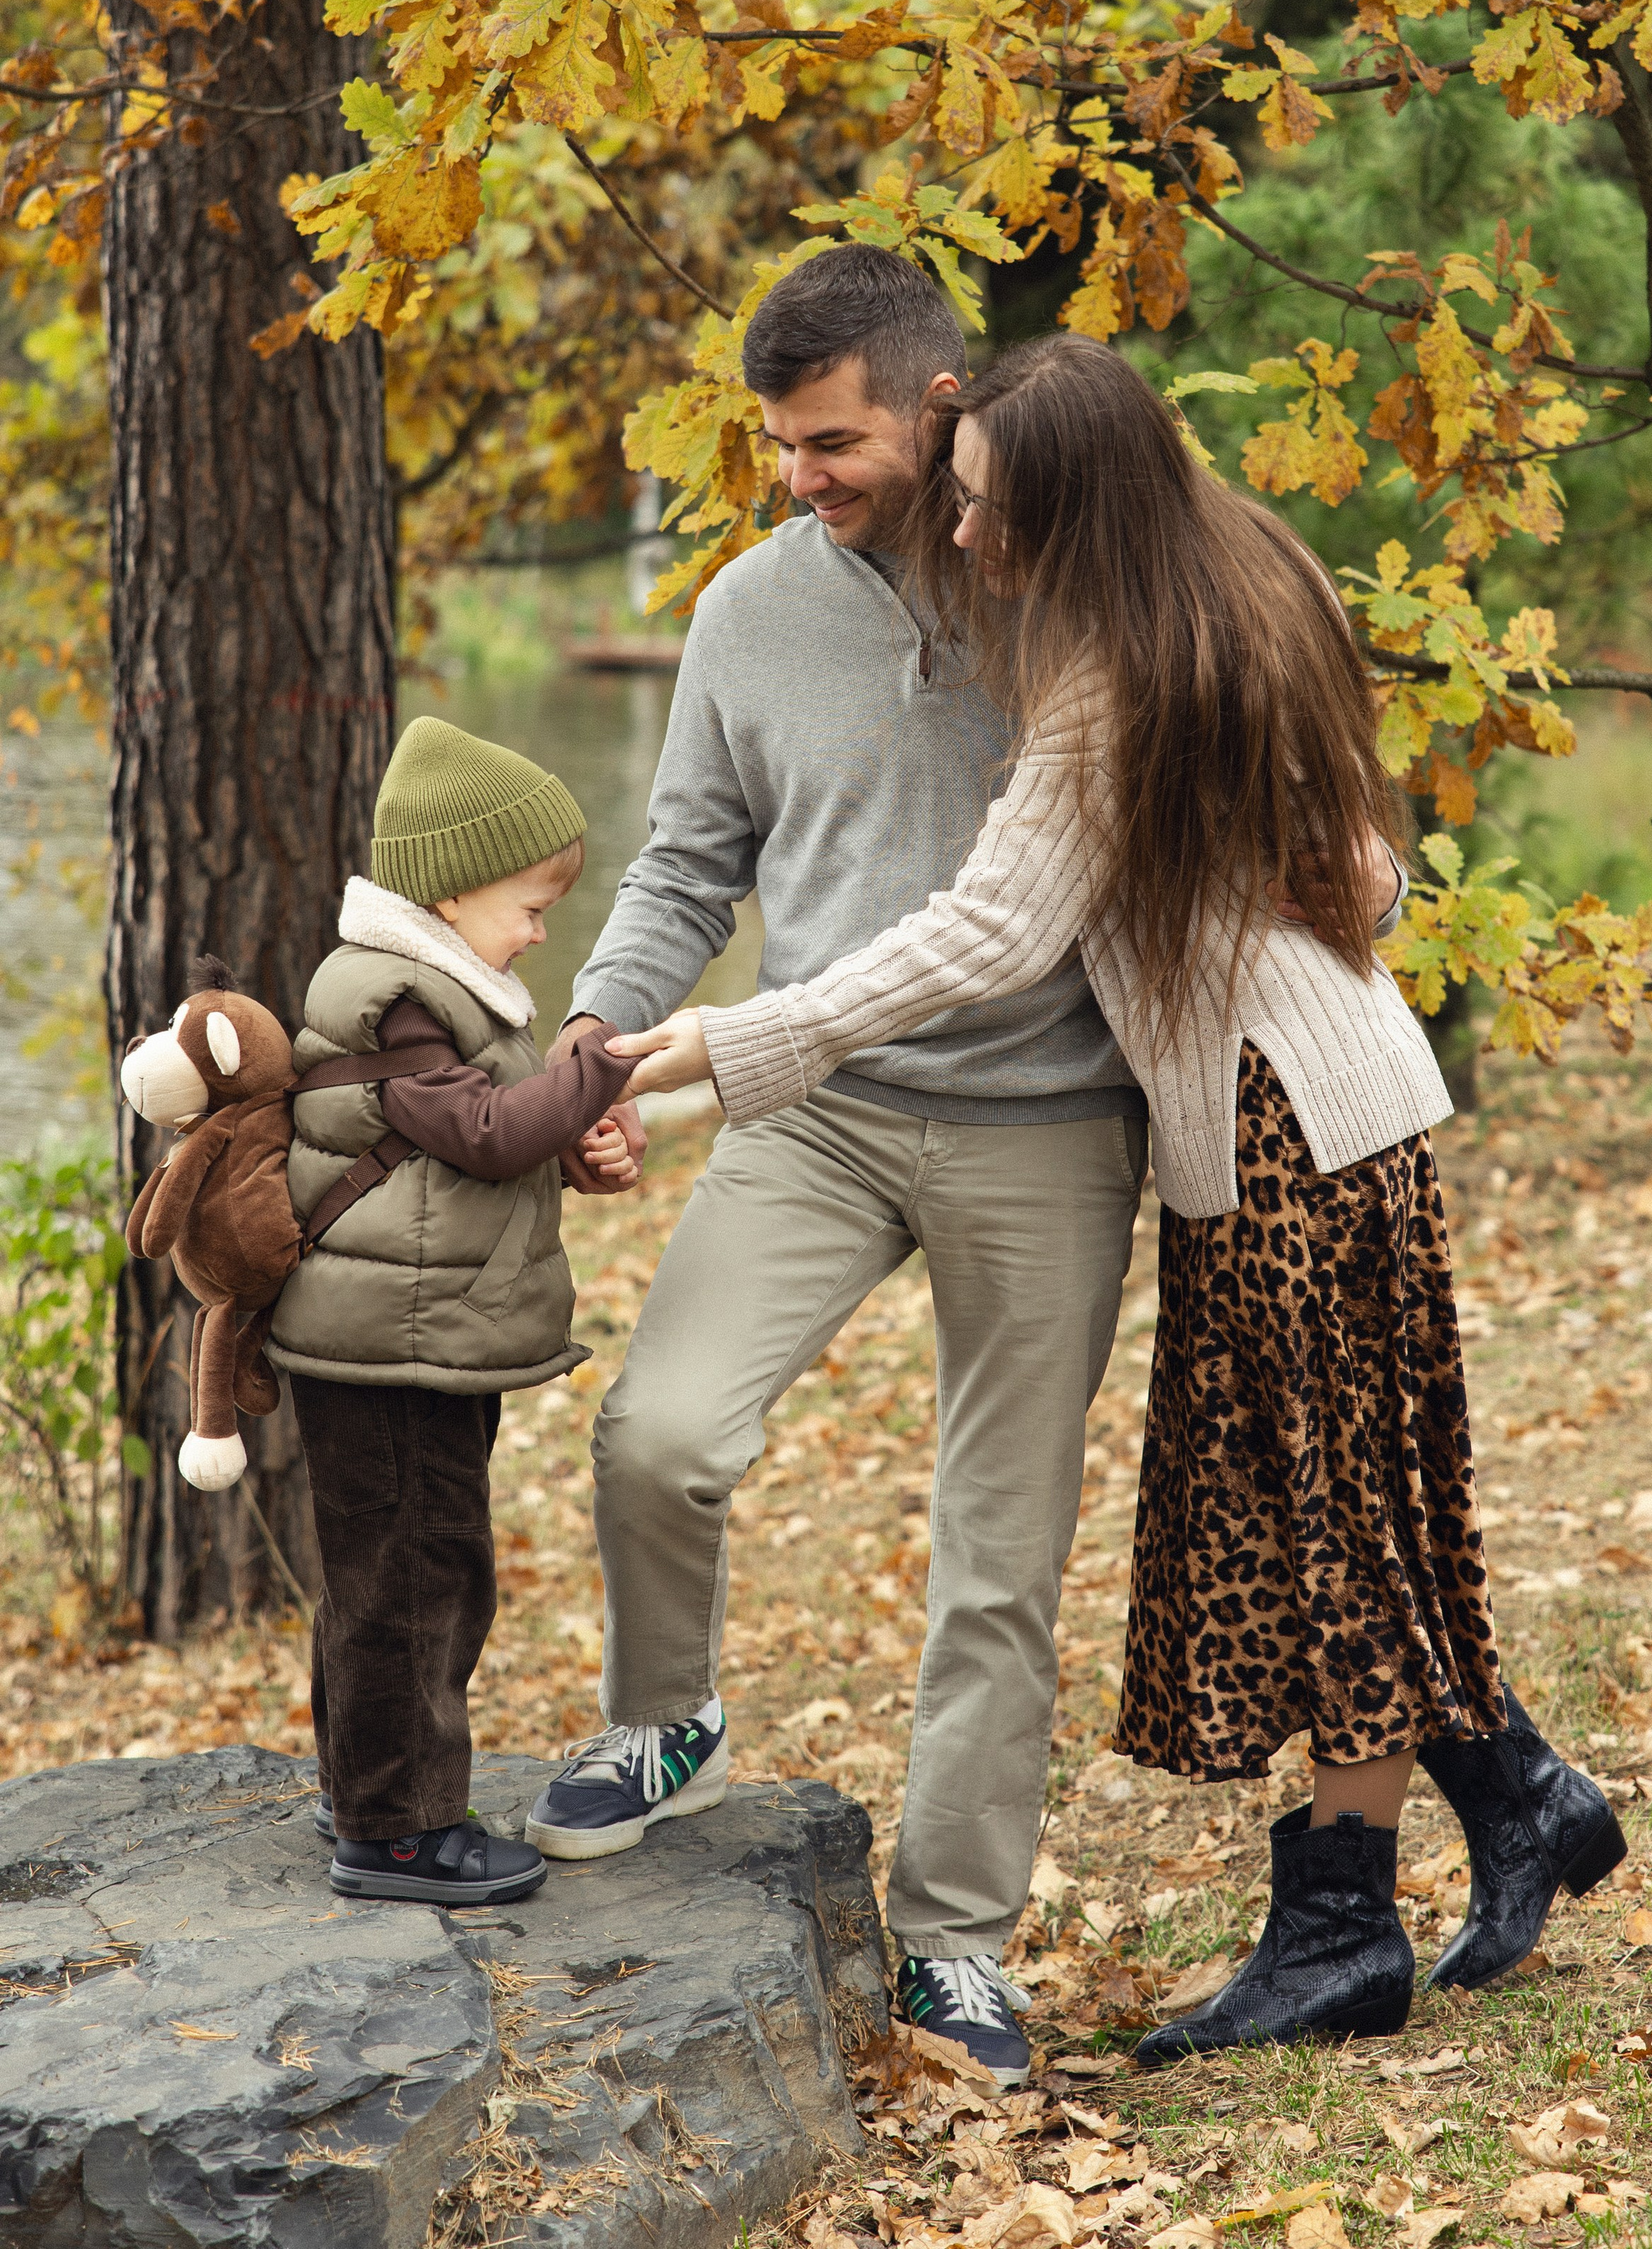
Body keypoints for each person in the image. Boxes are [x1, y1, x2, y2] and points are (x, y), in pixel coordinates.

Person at [614, 333, 1627, 2062]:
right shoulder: (1245, 564)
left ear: (1069, 500)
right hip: (1328, 1095)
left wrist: (729, 1044)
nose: (973, 536)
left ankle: (1344, 1927)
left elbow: (996, 932)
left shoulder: (1105, 668)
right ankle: (1514, 1795)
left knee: (1312, 1523)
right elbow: (1371, 870)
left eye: (992, 506)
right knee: (1330, 1509)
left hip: (1279, 1119)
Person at [526, 246, 1152, 2087]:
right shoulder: (743, 611)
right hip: (819, 1107)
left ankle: (954, 1942)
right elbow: (684, 862)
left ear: (939, 403)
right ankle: (666, 1718)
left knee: (995, 1561)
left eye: (831, 443)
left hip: (1048, 1124)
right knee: (657, 1432)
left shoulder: (1060, 587)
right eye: (780, 445)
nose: (799, 476)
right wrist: (595, 1037)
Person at [270, 717, 635, 1908]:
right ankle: (401, 1830)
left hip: (414, 1333)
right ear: (450, 889)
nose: (541, 928)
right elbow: (482, 1135)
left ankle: (363, 1787)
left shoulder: (449, 989)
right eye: (529, 904)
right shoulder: (396, 1001)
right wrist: (604, 1061)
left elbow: (491, 1132)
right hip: (389, 1347)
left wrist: (576, 1141)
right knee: (417, 1575)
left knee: (399, 1570)